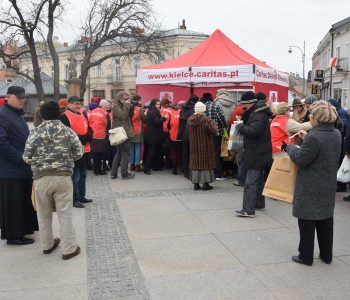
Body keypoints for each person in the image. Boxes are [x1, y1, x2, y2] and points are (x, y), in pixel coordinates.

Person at [282, 100, 341, 266]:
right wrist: (306, 138)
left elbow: (302, 159)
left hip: (310, 185)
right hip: (327, 184)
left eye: (312, 115)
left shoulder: (315, 136)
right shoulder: (335, 133)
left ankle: (305, 256)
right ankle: (326, 255)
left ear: (318, 118)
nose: (310, 117)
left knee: (307, 221)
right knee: (325, 220)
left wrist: (289, 148)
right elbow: (323, 149)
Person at [23, 101, 83, 260]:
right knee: (65, 214)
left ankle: (47, 245)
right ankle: (69, 249)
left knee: (43, 214)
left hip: (41, 179)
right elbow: (79, 153)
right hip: (63, 177)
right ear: (60, 113)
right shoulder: (67, 132)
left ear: (41, 114)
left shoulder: (35, 133)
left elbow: (26, 157)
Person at [0, 86, 38, 245]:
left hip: (23, 167)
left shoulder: (16, 114)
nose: (23, 100)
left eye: (23, 97)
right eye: (19, 97)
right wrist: (20, 158)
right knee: (14, 204)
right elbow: (1, 142)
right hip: (11, 169)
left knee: (23, 200)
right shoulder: (3, 114)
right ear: (8, 97)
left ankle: (25, 228)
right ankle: (14, 236)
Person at [235, 91, 273, 217]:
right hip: (259, 151)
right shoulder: (258, 112)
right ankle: (259, 203)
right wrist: (243, 120)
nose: (242, 107)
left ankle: (248, 210)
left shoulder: (258, 114)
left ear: (250, 103)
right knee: (259, 179)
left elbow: (253, 131)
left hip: (256, 152)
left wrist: (240, 126)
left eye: (244, 105)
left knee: (250, 181)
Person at [60, 96, 93, 208]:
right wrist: (81, 139)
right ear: (68, 104)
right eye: (75, 103)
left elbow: (89, 127)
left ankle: (82, 196)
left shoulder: (82, 114)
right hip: (73, 151)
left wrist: (89, 135)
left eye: (79, 104)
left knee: (83, 174)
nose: (78, 106)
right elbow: (66, 134)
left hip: (85, 149)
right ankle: (75, 199)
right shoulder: (64, 116)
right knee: (76, 176)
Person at [187, 102, 217, 190]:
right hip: (205, 146)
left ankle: (196, 184)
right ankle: (205, 184)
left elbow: (187, 132)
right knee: (205, 164)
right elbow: (213, 131)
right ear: (203, 110)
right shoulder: (206, 119)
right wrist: (214, 125)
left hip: (194, 146)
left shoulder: (189, 119)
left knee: (195, 163)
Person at [201, 92, 227, 180]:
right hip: (216, 134)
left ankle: (208, 173)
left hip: (205, 135)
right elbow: (221, 119)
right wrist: (225, 127)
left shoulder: (202, 107)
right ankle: (218, 174)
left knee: (207, 154)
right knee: (216, 153)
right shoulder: (216, 106)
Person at [110, 91, 135, 179]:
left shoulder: (121, 106)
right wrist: (127, 106)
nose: (127, 100)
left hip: (123, 132)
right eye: (125, 98)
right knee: (125, 153)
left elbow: (129, 116)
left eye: (128, 99)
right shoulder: (116, 106)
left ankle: (114, 174)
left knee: (119, 153)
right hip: (123, 133)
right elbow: (123, 116)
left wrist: (130, 107)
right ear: (120, 98)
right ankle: (124, 174)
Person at [143, 99, 168, 175]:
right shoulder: (153, 112)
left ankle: (150, 166)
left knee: (149, 152)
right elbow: (157, 122)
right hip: (153, 136)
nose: (158, 105)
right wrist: (164, 118)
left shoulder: (151, 111)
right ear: (153, 105)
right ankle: (147, 169)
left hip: (150, 135)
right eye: (157, 104)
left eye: (159, 104)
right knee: (151, 152)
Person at [88, 99, 111, 175]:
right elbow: (108, 125)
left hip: (92, 135)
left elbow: (89, 121)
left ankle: (95, 169)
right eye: (107, 105)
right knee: (100, 154)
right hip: (101, 135)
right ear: (104, 106)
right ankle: (100, 170)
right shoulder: (105, 113)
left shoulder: (93, 111)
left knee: (94, 153)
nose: (108, 107)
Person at [178, 95, 198, 178]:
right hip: (192, 134)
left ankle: (185, 172)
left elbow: (180, 122)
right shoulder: (194, 109)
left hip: (183, 134)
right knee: (192, 154)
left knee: (185, 154)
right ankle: (190, 172)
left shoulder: (183, 109)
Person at [130, 95, 146, 172]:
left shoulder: (129, 109)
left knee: (132, 148)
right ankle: (137, 165)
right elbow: (144, 119)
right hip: (138, 131)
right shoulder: (139, 109)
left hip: (130, 130)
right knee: (138, 149)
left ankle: (131, 164)